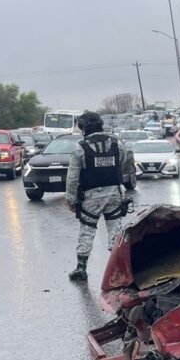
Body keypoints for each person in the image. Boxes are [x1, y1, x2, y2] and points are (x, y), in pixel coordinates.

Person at [66, 111, 130, 281]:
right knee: (115, 229)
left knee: (87, 229)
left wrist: (71, 199)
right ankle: (119, 269)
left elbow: (72, 177)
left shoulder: (80, 147)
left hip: (91, 195)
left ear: (84, 128)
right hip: (115, 192)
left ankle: (81, 268)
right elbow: (123, 161)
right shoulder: (117, 143)